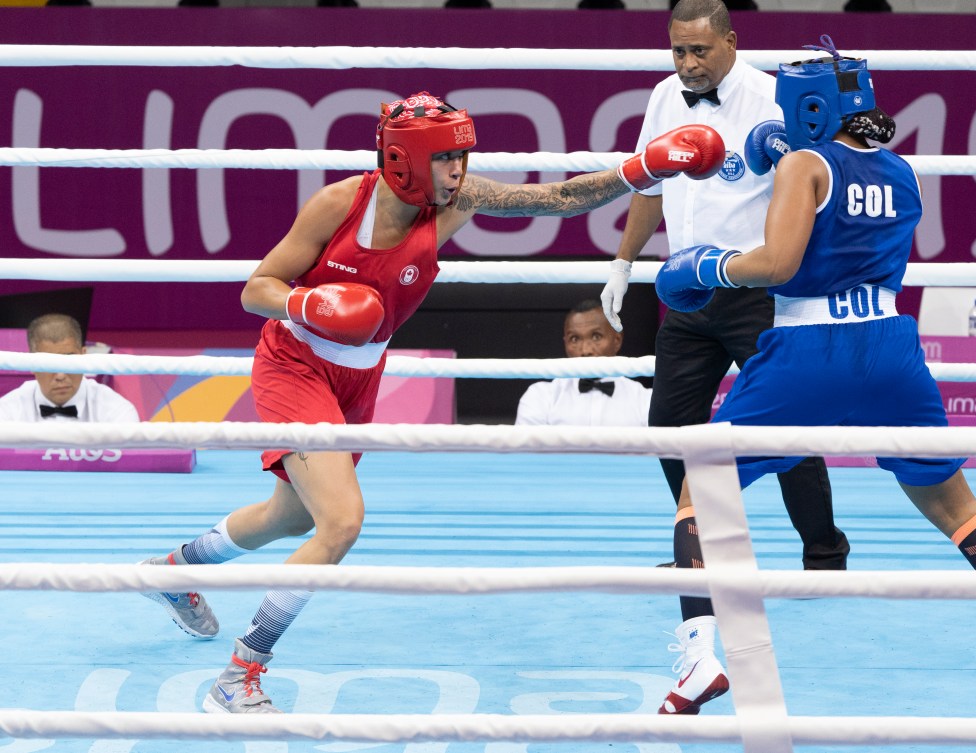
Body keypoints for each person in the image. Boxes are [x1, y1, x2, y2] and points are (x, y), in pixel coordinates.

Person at [136, 91, 725, 714]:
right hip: (294, 363)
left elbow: (558, 198)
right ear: (407, 160)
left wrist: (646, 168)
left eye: (463, 158)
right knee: (341, 522)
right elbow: (258, 287)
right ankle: (239, 675)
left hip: (358, 376)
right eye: (447, 159)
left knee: (295, 518)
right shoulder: (340, 204)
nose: (460, 173)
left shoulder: (459, 200)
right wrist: (310, 303)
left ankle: (171, 572)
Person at [653, 35, 976, 713]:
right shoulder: (901, 169)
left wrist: (704, 265)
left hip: (807, 351)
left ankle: (699, 659)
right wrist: (782, 158)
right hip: (890, 352)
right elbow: (844, 208)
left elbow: (777, 264)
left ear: (814, 107)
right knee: (959, 509)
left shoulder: (804, 164)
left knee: (699, 491)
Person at [600, 0, 849, 675]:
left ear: (730, 42)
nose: (687, 64)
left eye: (699, 52)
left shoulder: (776, 98)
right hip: (686, 289)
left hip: (758, 288)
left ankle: (823, 552)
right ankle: (704, 545)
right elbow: (649, 184)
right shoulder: (662, 97)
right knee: (671, 423)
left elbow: (815, 188)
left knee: (783, 428)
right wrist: (624, 261)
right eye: (677, 52)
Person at [515, 299, 651, 426]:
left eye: (596, 336)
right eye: (575, 339)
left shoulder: (645, 400)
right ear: (565, 343)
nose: (585, 350)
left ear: (617, 340)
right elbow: (528, 451)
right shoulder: (541, 397)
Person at [0, 314, 139, 423]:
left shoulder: (117, 412)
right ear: (30, 364)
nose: (60, 376)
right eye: (48, 363)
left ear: (84, 356)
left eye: (69, 361)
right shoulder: (7, 411)